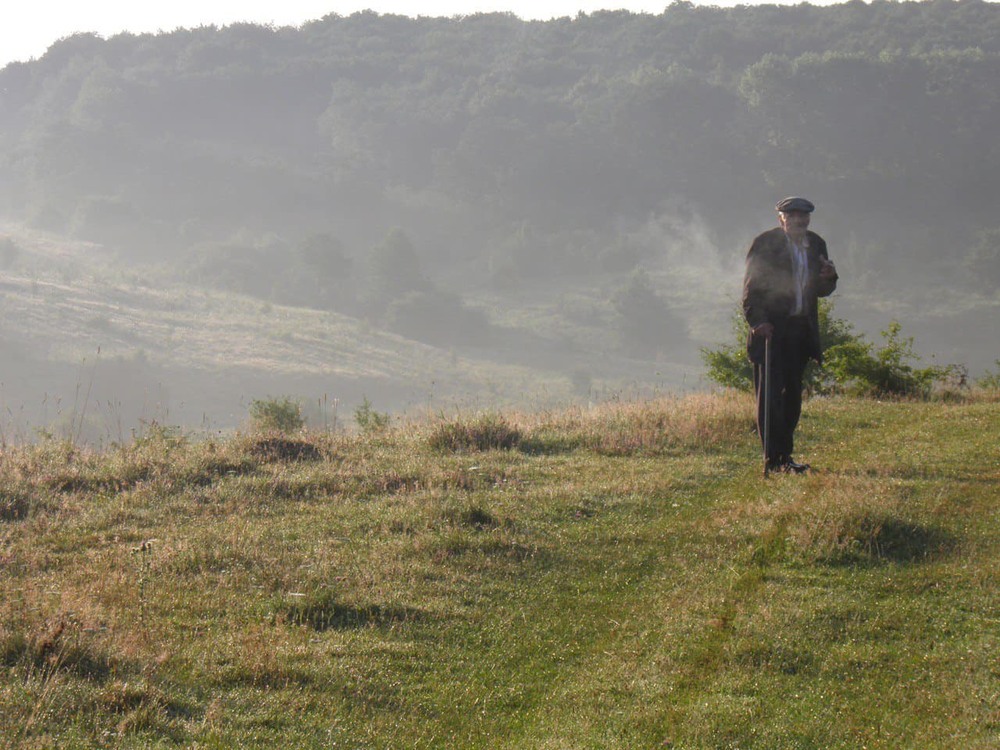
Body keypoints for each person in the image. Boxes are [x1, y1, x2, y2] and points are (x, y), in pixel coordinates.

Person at [742, 197, 839, 474]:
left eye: (803, 216)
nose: (799, 220)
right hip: (772, 331)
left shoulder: (816, 244)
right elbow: (751, 287)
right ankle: (773, 461)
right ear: (781, 218)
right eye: (792, 215)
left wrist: (830, 277)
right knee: (770, 398)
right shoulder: (765, 244)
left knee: (792, 398)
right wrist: (758, 321)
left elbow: (821, 290)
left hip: (800, 331)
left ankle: (785, 457)